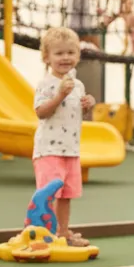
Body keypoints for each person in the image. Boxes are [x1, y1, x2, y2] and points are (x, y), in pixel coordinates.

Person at [33, 26, 96, 247]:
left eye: (70, 53)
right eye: (59, 53)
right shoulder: (46, 84)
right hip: (48, 150)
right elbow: (41, 112)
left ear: (77, 55)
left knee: (66, 195)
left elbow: (78, 114)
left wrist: (88, 105)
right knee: (49, 194)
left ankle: (62, 232)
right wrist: (60, 95)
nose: (65, 58)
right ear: (47, 57)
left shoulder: (77, 85)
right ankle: (43, 233)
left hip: (70, 149)